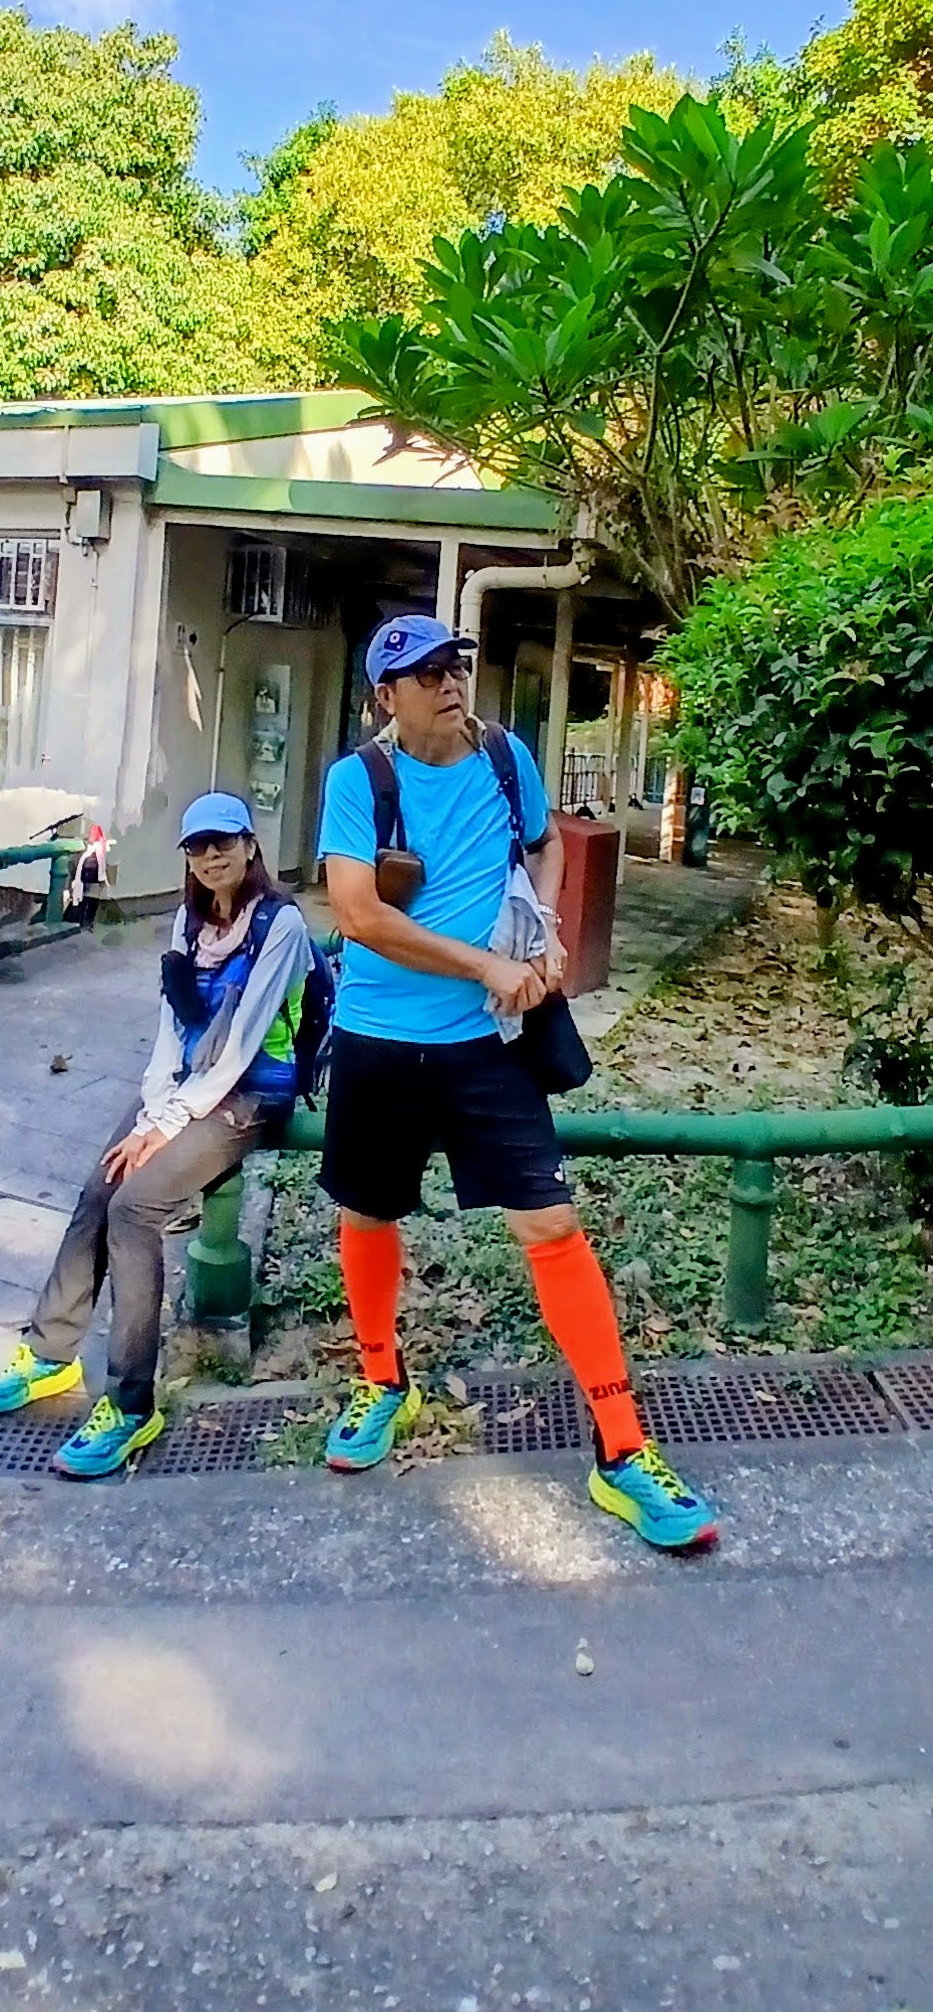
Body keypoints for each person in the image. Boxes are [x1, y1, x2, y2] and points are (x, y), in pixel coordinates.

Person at [317, 613, 718, 1552]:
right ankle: (382, 1382)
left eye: (454, 666)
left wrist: (540, 924)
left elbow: (543, 844)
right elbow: (358, 914)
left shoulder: (506, 758)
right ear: (386, 696)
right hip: (379, 1035)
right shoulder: (358, 780)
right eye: (425, 674)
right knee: (368, 1213)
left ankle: (622, 1449)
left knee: (552, 1225)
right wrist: (484, 965)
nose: (449, 683)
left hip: (488, 1045)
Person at [0, 792, 313, 1478]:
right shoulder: (188, 921)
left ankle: (130, 1404)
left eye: (224, 842)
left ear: (250, 846)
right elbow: (170, 1030)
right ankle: (50, 1354)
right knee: (101, 1187)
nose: (212, 856)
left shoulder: (281, 924)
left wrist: (164, 1126)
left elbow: (242, 1045)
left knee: (134, 1209)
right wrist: (155, 1110)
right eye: (198, 846)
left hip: (250, 1093)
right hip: (188, 1086)